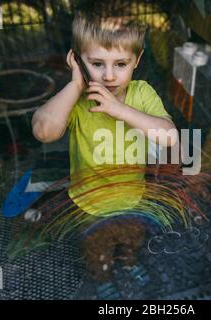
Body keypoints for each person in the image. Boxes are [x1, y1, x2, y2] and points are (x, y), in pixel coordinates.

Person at [31, 12, 178, 285]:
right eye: (97, 63)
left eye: (121, 63)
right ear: (77, 60)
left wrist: (120, 110)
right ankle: (104, 283)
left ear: (137, 60)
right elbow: (43, 131)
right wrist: (75, 85)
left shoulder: (141, 93)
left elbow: (169, 137)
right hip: (88, 205)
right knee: (97, 255)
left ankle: (130, 266)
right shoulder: (78, 99)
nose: (109, 75)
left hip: (134, 200)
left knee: (131, 243)